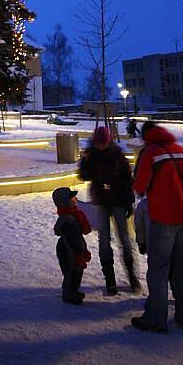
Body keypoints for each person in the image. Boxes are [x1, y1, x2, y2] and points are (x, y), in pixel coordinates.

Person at [131, 122, 183, 333]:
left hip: (163, 217)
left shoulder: (150, 152)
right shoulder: (182, 151)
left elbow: (140, 186)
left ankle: (156, 319)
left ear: (146, 136)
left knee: (159, 268)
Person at [79, 125, 140, 295]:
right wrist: (84, 162)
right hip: (101, 202)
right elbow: (84, 176)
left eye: (103, 143)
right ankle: (110, 280)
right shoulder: (91, 155)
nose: (101, 146)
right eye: (98, 143)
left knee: (125, 240)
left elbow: (128, 180)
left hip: (119, 202)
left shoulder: (118, 155)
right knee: (104, 240)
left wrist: (129, 201)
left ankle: (132, 276)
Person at [52, 187, 92, 305]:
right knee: (70, 272)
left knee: (77, 271)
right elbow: (71, 241)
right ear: (65, 202)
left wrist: (83, 251)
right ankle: (68, 294)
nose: (75, 199)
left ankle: (73, 291)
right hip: (67, 251)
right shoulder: (67, 220)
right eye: (72, 198)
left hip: (74, 249)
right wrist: (79, 254)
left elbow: (77, 238)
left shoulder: (74, 215)